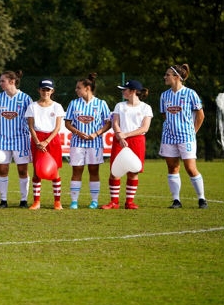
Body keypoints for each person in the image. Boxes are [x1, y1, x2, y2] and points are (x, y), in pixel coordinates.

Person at [159, 64, 208, 209]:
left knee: (190, 168)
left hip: (186, 136)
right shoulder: (164, 95)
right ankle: (176, 200)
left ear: (177, 77)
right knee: (172, 167)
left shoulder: (190, 94)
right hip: (168, 137)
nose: (165, 77)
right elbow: (164, 115)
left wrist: (193, 131)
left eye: (167, 74)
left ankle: (201, 198)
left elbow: (200, 115)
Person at [101, 80, 153, 210]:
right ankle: (114, 202)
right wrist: (120, 135)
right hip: (119, 139)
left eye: (125, 89)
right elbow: (115, 123)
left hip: (137, 140)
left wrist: (126, 135)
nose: (123, 91)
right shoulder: (120, 105)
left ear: (133, 91)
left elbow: (144, 128)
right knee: (115, 171)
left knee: (133, 171)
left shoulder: (146, 107)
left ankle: (129, 202)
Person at [64, 73, 111, 209]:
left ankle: (94, 201)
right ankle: (74, 201)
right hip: (77, 143)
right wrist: (78, 132)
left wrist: (96, 134)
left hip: (95, 143)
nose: (76, 90)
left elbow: (108, 123)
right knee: (77, 170)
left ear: (87, 88)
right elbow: (67, 123)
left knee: (93, 170)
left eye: (79, 88)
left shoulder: (101, 103)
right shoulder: (74, 103)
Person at [0, 70, 33, 208]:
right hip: (2, 139)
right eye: (0, 80)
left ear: (12, 81)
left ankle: (24, 200)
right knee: (2, 169)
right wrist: (4, 128)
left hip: (21, 139)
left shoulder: (26, 98)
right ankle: (3, 200)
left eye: (3, 80)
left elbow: (30, 119)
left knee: (22, 170)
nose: (0, 83)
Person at [25, 79, 65, 210]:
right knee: (37, 171)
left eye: (48, 90)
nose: (45, 92)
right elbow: (31, 127)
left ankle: (57, 202)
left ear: (52, 91)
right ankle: (36, 201)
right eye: (43, 89)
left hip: (52, 139)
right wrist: (37, 142)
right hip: (37, 139)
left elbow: (58, 127)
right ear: (39, 90)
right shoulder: (32, 106)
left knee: (55, 171)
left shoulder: (57, 106)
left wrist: (47, 141)